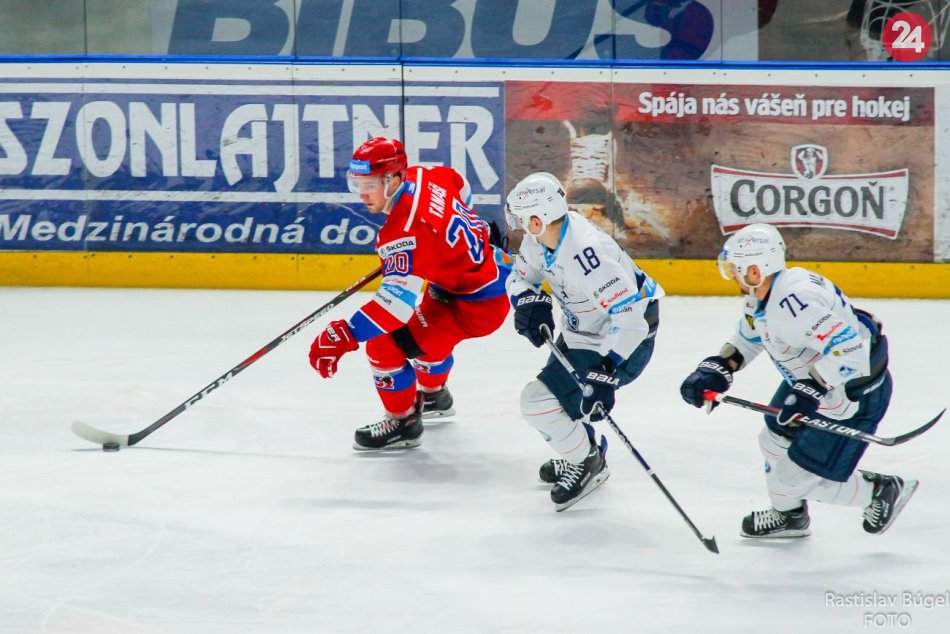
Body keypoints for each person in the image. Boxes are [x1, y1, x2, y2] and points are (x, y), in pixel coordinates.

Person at [679, 223, 918, 538]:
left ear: (755, 270)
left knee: (790, 479)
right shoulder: (763, 294)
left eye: (735, 268)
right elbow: (749, 337)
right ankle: (790, 516)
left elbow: (851, 351)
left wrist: (812, 390)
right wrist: (720, 366)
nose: (732, 275)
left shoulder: (796, 303)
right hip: (812, 385)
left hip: (850, 398)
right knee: (772, 442)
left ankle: (879, 491)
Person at [309, 137, 512, 450]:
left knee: (383, 345)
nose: (362, 194)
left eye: (370, 185)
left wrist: (346, 333)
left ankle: (402, 422)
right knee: (425, 335)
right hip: (480, 275)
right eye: (357, 184)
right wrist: (458, 241)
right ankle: (435, 396)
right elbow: (460, 185)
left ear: (393, 179)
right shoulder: (424, 175)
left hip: (475, 305)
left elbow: (393, 309)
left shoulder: (403, 232)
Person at [504, 172, 664, 511]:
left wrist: (607, 370)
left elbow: (631, 322)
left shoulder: (587, 254)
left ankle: (587, 460)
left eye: (521, 219)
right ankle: (582, 447)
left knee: (537, 401)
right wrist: (527, 300)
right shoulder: (540, 239)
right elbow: (519, 277)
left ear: (538, 219)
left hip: (623, 340)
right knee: (563, 400)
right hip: (584, 330)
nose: (518, 226)